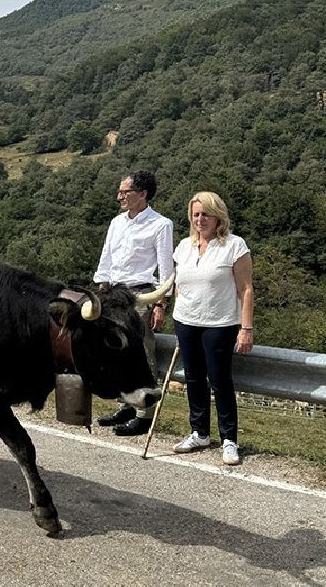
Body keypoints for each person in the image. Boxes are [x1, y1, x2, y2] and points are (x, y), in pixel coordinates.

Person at [171, 191, 254, 465]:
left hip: (219, 324)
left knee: (220, 381)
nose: (200, 219)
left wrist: (246, 328)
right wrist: (177, 318)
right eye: (196, 214)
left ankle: (229, 439)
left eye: (206, 214)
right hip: (186, 322)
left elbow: (246, 289)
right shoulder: (184, 246)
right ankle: (199, 433)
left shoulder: (234, 245)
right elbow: (179, 286)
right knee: (193, 378)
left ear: (218, 216)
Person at [93, 171, 174, 436]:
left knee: (142, 349)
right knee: (116, 350)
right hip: (113, 294)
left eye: (124, 192)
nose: (119, 196)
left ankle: (144, 414)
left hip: (140, 294)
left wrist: (161, 304)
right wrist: (101, 290)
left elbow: (165, 267)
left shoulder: (160, 224)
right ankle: (125, 405)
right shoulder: (117, 222)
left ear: (142, 194)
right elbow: (107, 257)